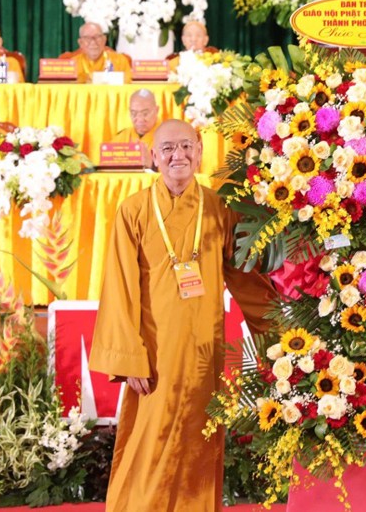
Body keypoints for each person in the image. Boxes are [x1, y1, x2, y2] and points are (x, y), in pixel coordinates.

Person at [89, 118, 276, 512]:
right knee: (149, 440)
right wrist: (129, 356)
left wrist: (279, 335)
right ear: (153, 157)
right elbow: (119, 286)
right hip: (154, 352)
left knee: (198, 440)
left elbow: (245, 278)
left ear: (200, 152)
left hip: (204, 349)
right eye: (169, 148)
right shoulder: (133, 210)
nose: (179, 155)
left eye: (187, 146)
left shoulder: (218, 208)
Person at [65, 22, 131, 83]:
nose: (93, 42)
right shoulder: (72, 65)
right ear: (80, 43)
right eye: (87, 38)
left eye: (97, 37)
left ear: (104, 40)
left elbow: (128, 87)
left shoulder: (120, 61)